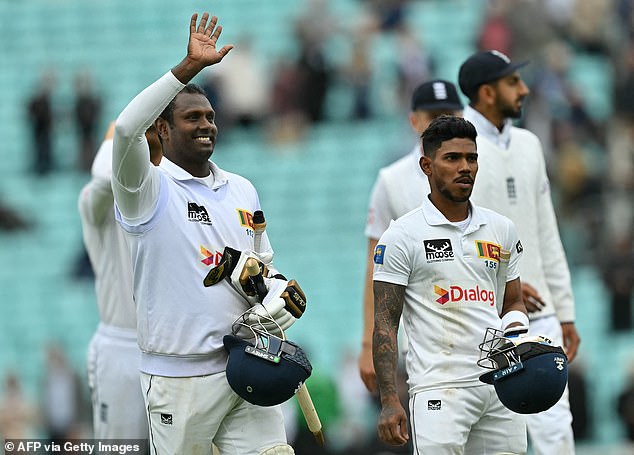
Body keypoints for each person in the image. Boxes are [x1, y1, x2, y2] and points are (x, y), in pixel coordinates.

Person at [112, 13, 300, 454]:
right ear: (162, 129)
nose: (206, 125)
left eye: (211, 116)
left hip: (248, 363)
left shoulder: (242, 188)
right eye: (192, 117)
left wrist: (276, 294)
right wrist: (188, 68)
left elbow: (262, 266)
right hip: (178, 378)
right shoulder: (146, 188)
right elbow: (124, 129)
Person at [372, 115, 528, 453]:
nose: (465, 167)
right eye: (452, 158)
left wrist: (516, 333)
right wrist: (389, 400)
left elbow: (513, 301)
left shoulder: (501, 229)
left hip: (501, 385)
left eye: (471, 158)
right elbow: (385, 323)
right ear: (427, 165)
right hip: (440, 389)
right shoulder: (402, 236)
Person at [458, 49, 580, 454]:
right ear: (487, 92)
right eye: (514, 82)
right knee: (496, 439)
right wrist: (506, 281)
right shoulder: (458, 147)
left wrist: (566, 312)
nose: (524, 89)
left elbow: (546, 231)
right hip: (482, 316)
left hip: (540, 312)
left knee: (556, 432)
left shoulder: (528, 144)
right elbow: (454, 233)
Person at [360, 79, 464, 393]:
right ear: (414, 121)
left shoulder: (483, 170)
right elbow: (375, 267)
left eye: (451, 115)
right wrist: (369, 343)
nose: (444, 125)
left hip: (486, 331)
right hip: (426, 342)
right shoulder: (392, 181)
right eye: (434, 117)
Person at [78, 122, 161, 441]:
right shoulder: (95, 200)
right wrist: (122, 134)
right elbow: (103, 175)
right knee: (119, 447)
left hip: (166, 345)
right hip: (120, 347)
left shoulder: (164, 193)